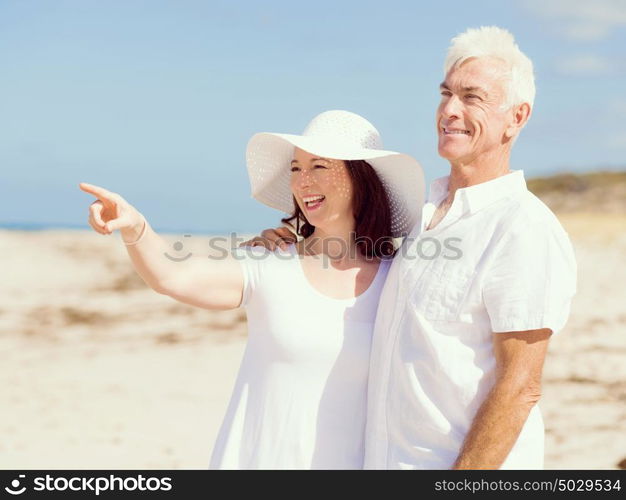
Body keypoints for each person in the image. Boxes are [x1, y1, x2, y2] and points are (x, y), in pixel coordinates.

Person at [251, 27, 578, 469]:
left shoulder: (522, 228)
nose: (449, 110)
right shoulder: (419, 220)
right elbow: (352, 265)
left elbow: (520, 387)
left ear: (517, 117)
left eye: (471, 97)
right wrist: (296, 241)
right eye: (445, 94)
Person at [79, 110, 424, 469]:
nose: (302, 181)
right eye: (294, 168)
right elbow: (171, 276)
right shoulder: (269, 263)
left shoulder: (398, 279)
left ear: (360, 179)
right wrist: (136, 228)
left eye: (318, 166)